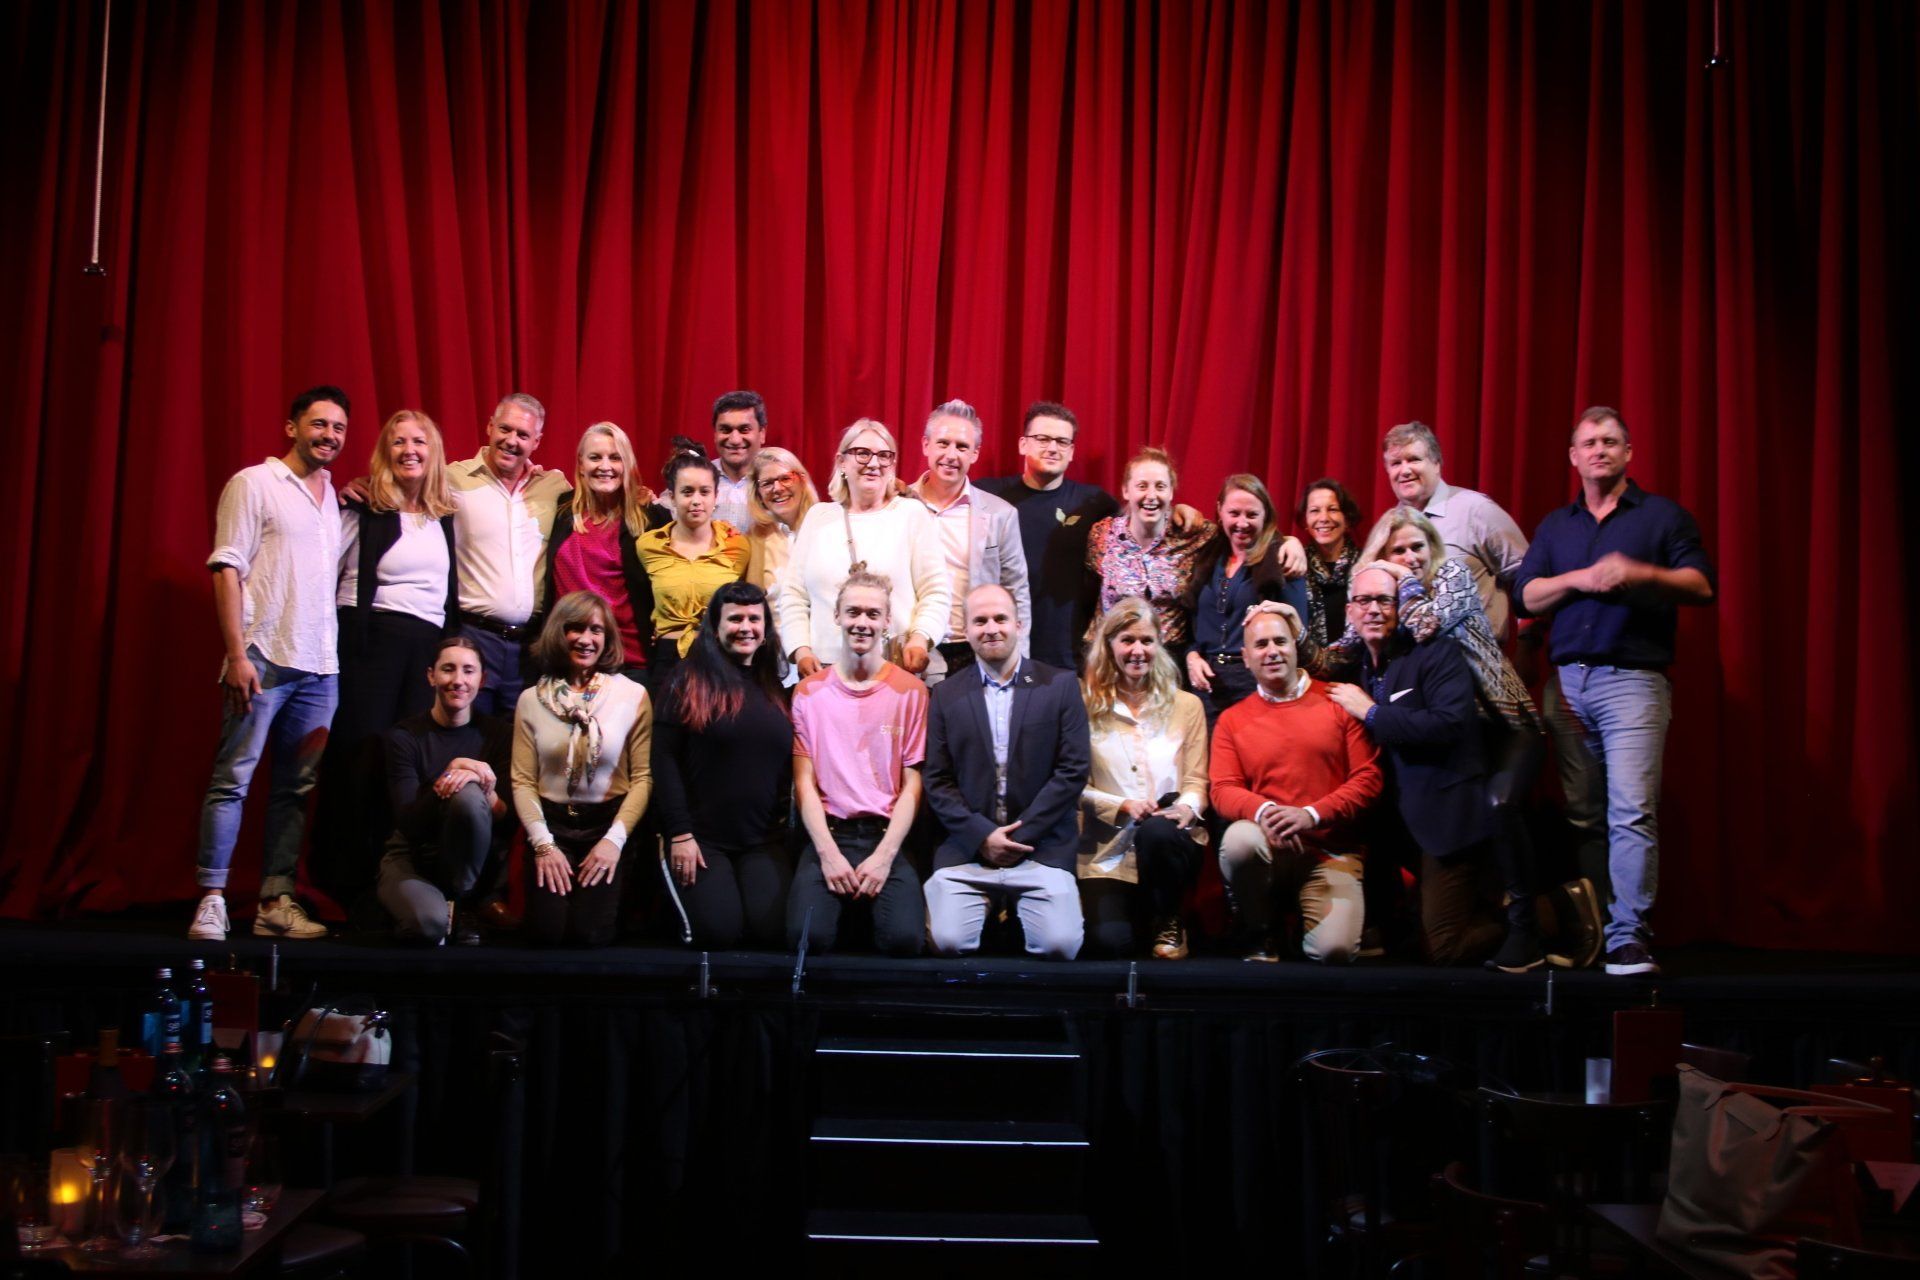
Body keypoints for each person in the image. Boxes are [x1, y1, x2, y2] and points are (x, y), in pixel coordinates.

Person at [1516, 406, 1715, 977]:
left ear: (1628, 453)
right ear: (1574, 457)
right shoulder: (1558, 526)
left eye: (1609, 441)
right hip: (1567, 684)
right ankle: (1598, 930)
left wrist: (1641, 573)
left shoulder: (1661, 518)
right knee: (1583, 816)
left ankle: (1631, 936)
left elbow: (1702, 585)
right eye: (1588, 443)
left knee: (1630, 812)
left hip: (1632, 683)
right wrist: (1581, 579)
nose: (1599, 450)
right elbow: (1527, 596)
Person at [189, 386, 351, 941]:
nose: (329, 436)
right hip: (262, 658)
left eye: (338, 428)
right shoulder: (254, 483)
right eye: (319, 424)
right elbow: (226, 567)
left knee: (294, 790)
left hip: (319, 668)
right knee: (232, 779)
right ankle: (211, 899)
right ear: (291, 427)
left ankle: (274, 902)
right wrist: (237, 653)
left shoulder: (332, 495)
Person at [1324, 565, 1518, 969]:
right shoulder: (1356, 663)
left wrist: (1374, 713)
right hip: (1394, 823)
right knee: (1408, 943)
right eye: (1364, 601)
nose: (1374, 610)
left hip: (1447, 819)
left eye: (1384, 600)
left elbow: (1450, 723)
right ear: (1350, 611)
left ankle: (1541, 916)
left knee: (1443, 949)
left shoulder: (1434, 652)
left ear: (1401, 607)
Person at [313, 409, 460, 903]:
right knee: (361, 756)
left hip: (425, 647)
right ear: (385, 452)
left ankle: (397, 879)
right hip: (370, 641)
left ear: (433, 451)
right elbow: (326, 572)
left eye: (419, 441)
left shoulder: (445, 515)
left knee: (409, 763)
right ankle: (345, 881)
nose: (409, 450)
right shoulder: (364, 506)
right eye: (398, 442)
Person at [922, 585, 1091, 959]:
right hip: (968, 851)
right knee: (948, 942)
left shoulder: (1060, 686)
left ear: (1018, 623)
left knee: (1059, 945)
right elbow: (937, 780)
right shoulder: (945, 695)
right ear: (965, 630)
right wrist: (983, 837)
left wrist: (1018, 837)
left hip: (1040, 848)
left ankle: (1013, 913)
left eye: (1000, 618)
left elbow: (1073, 770)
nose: (991, 628)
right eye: (979, 621)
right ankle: (996, 906)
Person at [1210, 602, 1382, 963]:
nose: (1271, 651)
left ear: (1295, 646)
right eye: (1261, 645)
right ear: (1246, 657)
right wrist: (1266, 812)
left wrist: (1311, 814)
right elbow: (1222, 789)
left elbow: (1368, 778)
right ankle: (1263, 930)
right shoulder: (1231, 720)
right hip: (1269, 849)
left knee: (1333, 952)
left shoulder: (1338, 701)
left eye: (1280, 641)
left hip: (1329, 853)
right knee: (1239, 841)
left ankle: (1303, 926)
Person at [786, 572, 929, 956]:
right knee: (807, 938)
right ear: (836, 616)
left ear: (887, 621)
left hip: (886, 834)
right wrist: (828, 854)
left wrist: (884, 856)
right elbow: (805, 785)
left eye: (872, 613)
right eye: (853, 612)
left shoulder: (911, 692)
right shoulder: (809, 692)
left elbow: (912, 785)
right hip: (829, 833)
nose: (862, 622)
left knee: (905, 940)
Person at [653, 582, 793, 949]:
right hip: (702, 841)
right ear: (715, 628)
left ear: (766, 630)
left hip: (761, 841)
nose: (746, 626)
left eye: (754, 619)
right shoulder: (686, 681)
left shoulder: (777, 688)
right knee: (719, 933)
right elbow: (663, 760)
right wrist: (680, 834)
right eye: (735, 619)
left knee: (773, 933)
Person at [511, 591, 654, 948]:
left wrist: (613, 841)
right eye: (575, 628)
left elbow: (642, 779)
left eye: (596, 630)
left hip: (607, 828)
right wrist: (543, 844)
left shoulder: (633, 695)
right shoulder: (531, 699)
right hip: (552, 827)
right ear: (558, 632)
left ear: (607, 639)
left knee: (589, 936)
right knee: (547, 934)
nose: (585, 639)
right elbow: (522, 781)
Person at [1078, 599, 1208, 959]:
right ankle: (1138, 916)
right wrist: (1121, 805)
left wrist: (1186, 807)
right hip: (1107, 849)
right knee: (1112, 945)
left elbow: (1197, 779)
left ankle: (1169, 917)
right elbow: (1072, 785)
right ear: (1109, 646)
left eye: (1147, 641)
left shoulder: (1186, 705)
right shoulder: (1084, 705)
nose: (1138, 651)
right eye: (1127, 640)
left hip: (1167, 840)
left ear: (1159, 644)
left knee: (1157, 831)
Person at [778, 419, 948, 677]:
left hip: (894, 669)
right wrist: (800, 650)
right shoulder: (819, 517)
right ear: (842, 462)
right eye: (862, 453)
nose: (874, 462)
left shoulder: (912, 515)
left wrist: (921, 638)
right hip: (824, 671)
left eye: (884, 455)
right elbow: (793, 594)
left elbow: (936, 590)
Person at [375, 636, 513, 945]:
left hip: (470, 866)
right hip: (413, 858)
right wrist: (450, 774)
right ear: (431, 676)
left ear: (483, 679)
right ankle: (435, 908)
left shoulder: (500, 734)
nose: (458, 680)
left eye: (468, 670)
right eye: (448, 669)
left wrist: (484, 786)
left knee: (468, 795)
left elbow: (507, 818)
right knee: (427, 926)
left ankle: (462, 902)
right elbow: (408, 823)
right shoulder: (405, 736)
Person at [448, 393, 573, 714]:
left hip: (533, 646)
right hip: (475, 639)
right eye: (505, 429)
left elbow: (600, 504)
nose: (511, 441)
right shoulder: (451, 479)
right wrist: (364, 486)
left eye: (523, 435)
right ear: (489, 427)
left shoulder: (555, 487)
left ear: (536, 442)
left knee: (522, 747)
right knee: (473, 742)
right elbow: (404, 489)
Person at [906, 399, 1032, 681]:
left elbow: (1017, 593)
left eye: (962, 447)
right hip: (910, 649)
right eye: (943, 443)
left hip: (974, 650)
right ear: (926, 445)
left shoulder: (1001, 514)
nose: (951, 454)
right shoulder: (898, 504)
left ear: (975, 454)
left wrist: (1019, 663)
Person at [1381, 421, 1530, 644]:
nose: (1405, 470)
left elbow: (1527, 575)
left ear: (1437, 463)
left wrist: (1529, 641)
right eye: (1395, 463)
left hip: (1473, 663)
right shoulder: (1390, 525)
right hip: (1412, 662)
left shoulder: (1476, 510)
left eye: (1414, 459)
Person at [1182, 474, 1311, 727]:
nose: (1242, 523)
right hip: (1207, 685)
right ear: (1220, 511)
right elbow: (1191, 630)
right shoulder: (1206, 557)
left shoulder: (1282, 558)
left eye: (1251, 515)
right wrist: (1191, 657)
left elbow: (1298, 629)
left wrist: (1292, 541)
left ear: (1266, 516)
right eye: (1234, 513)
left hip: (1256, 682)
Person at [545, 422, 666, 685]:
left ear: (627, 465)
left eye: (615, 458)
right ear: (580, 464)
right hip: (566, 663)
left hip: (629, 665)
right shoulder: (561, 509)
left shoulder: (650, 518)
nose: (605, 466)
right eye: (595, 457)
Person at [1084, 447, 1220, 656]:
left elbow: (1240, 531)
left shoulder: (1192, 535)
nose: (1151, 495)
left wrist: (1286, 541)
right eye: (1142, 486)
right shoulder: (1102, 535)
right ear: (1125, 490)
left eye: (1160, 486)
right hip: (1111, 657)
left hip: (1168, 657)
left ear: (1171, 492)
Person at [636, 451, 749, 688]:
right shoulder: (649, 546)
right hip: (667, 659)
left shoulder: (737, 545)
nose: (696, 500)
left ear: (716, 497)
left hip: (721, 659)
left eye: (704, 492)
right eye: (687, 492)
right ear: (672, 497)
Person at [1297, 478, 1365, 649]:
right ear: (1305, 521)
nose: (1324, 518)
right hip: (1308, 666)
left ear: (1347, 519)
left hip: (1358, 666)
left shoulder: (1366, 564)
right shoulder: (1295, 565)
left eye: (1333, 509)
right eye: (1314, 511)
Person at [742, 447, 819, 595]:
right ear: (758, 494)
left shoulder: (826, 529)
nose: (777, 488)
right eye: (767, 483)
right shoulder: (752, 540)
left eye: (785, 479)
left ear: (802, 481)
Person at [709, 390, 768, 531]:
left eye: (744, 429)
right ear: (715, 435)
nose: (735, 440)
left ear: (762, 434)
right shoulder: (697, 479)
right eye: (725, 430)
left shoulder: (778, 483)